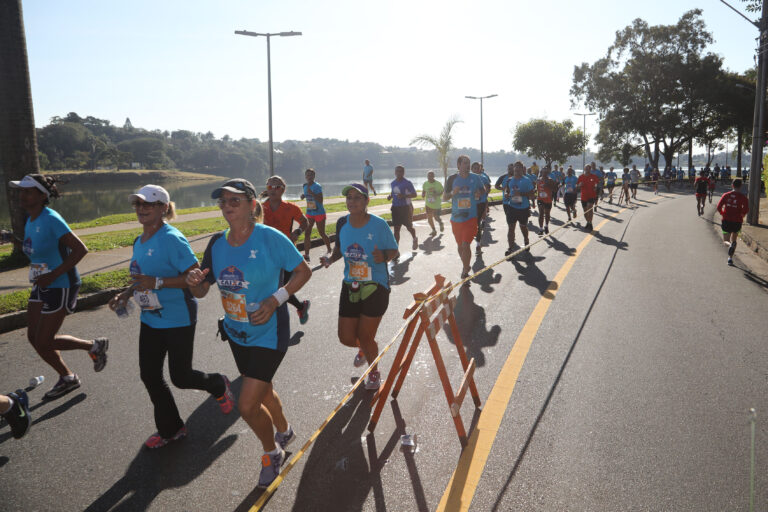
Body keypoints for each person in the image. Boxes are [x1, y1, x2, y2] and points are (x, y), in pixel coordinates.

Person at [186, 178, 312, 488]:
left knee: (246, 404)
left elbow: (303, 271)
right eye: (223, 202)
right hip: (237, 332)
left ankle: (272, 453)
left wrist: (274, 300)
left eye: (234, 201)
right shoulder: (216, 244)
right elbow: (203, 290)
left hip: (269, 331)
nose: (227, 207)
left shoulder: (270, 238)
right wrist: (194, 283)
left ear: (252, 205)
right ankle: (284, 430)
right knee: (263, 389)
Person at [108, 184, 235, 449]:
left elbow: (194, 279)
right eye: (138, 205)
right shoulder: (139, 241)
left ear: (164, 208)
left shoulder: (172, 239)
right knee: (150, 375)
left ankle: (216, 384)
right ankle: (171, 429)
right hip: (151, 318)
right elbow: (141, 277)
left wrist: (156, 282)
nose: (141, 209)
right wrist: (127, 294)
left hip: (178, 317)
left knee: (181, 376)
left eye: (148, 205)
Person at [8, 174, 108, 400]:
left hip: (61, 284)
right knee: (34, 338)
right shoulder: (31, 219)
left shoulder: (52, 218)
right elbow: (33, 249)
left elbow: (81, 249)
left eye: (27, 191)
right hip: (42, 283)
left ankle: (93, 346)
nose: (22, 195)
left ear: (42, 195)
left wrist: (53, 274)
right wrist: (13, 239)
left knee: (44, 340)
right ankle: (68, 378)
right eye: (20, 191)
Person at [320, 184, 398, 390]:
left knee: (366, 335)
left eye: (357, 197)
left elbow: (393, 251)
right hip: (351, 284)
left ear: (366, 202)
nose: (352, 201)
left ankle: (374, 372)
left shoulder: (378, 225)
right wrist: (329, 258)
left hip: (376, 285)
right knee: (345, 337)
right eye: (349, 197)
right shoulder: (342, 223)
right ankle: (365, 348)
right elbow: (338, 250)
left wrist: (384, 256)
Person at [261, 176, 311, 324]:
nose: (273, 190)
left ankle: (280, 318)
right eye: (270, 187)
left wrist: (297, 232)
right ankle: (301, 306)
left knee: (281, 288)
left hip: (287, 253)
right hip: (267, 254)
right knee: (275, 288)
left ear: (283, 190)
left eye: (277, 187)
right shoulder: (261, 208)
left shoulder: (291, 208)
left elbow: (305, 222)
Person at [444, 155, 486, 277]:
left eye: (468, 163)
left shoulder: (476, 178)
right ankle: (466, 265)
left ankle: (465, 270)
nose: (467, 166)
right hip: (456, 218)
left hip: (471, 217)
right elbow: (444, 197)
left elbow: (483, 190)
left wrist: (479, 192)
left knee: (465, 244)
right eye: (464, 163)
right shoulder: (452, 179)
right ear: (458, 165)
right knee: (460, 246)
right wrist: (453, 193)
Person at [496, 161, 535, 256]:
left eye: (519, 167)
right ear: (513, 169)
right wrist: (506, 194)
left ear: (522, 169)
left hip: (523, 208)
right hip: (512, 207)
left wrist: (521, 194)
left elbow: (532, 195)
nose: (517, 169)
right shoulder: (509, 180)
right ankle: (510, 249)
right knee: (511, 228)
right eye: (515, 167)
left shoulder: (526, 180)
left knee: (523, 227)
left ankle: (526, 239)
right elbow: (507, 191)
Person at [301, 168, 332, 261]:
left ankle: (329, 250)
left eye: (311, 175)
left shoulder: (317, 186)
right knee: (307, 233)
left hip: (319, 213)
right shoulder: (305, 186)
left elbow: (320, 200)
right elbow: (308, 196)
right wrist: (304, 195)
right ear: (305, 176)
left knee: (321, 233)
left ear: (314, 176)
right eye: (307, 175)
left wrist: (313, 193)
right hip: (309, 212)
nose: (309, 177)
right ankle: (306, 255)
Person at [717, 179, 750, 266]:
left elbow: (719, 206)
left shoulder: (726, 195)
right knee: (734, 239)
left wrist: (722, 213)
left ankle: (730, 245)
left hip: (726, 220)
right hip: (737, 221)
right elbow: (746, 209)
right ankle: (730, 258)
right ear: (741, 186)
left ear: (732, 185)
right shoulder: (743, 197)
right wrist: (742, 215)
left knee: (726, 241)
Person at [387, 165, 418, 251]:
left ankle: (415, 238)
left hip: (405, 208)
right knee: (396, 230)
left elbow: (415, 194)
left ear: (403, 173)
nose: (399, 173)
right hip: (395, 208)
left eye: (401, 171)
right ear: (395, 172)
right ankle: (396, 250)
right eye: (397, 171)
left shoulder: (407, 183)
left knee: (409, 227)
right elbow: (393, 193)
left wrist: (404, 196)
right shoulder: (393, 183)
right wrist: (390, 196)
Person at [471, 161, 492, 252]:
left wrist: (481, 192)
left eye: (477, 168)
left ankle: (478, 244)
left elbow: (488, 189)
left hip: (481, 203)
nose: (476, 169)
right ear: (471, 169)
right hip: (471, 203)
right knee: (473, 223)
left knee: (477, 223)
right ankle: (476, 238)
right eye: (474, 168)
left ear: (480, 168)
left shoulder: (483, 177)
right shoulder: (469, 178)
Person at [576, 164, 600, 232]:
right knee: (585, 211)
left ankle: (590, 223)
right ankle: (588, 222)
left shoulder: (594, 177)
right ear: (584, 169)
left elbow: (596, 184)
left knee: (590, 208)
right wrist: (579, 185)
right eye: (586, 168)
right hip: (583, 196)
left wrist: (595, 187)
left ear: (590, 169)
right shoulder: (581, 177)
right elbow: (577, 186)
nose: (587, 170)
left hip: (591, 195)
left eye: (588, 168)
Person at [535, 167, 557, 235]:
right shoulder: (538, 180)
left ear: (547, 173)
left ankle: (546, 226)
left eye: (545, 172)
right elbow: (537, 189)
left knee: (547, 214)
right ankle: (541, 229)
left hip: (548, 200)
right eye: (543, 172)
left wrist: (549, 186)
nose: (544, 174)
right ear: (541, 172)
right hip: (540, 199)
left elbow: (555, 190)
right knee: (541, 213)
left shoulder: (550, 180)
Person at [421, 170, 444, 236]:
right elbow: (424, 190)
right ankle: (434, 230)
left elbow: (442, 191)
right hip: (428, 204)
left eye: (431, 176)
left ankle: (440, 223)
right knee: (429, 218)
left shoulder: (438, 184)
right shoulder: (425, 183)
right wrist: (423, 194)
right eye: (428, 176)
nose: (430, 177)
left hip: (436, 204)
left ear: (434, 176)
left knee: (436, 217)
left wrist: (437, 194)